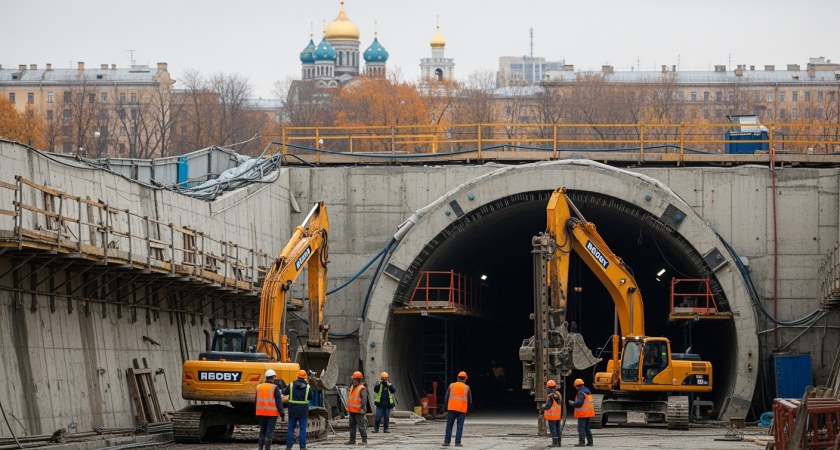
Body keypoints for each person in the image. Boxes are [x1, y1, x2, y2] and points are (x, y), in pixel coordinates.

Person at [256, 369, 285, 450]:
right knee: (269, 432)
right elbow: (278, 402)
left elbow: (256, 401)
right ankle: (267, 448)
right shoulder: (274, 387)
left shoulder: (259, 387)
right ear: (273, 378)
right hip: (271, 414)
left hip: (261, 412)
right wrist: (282, 414)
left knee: (262, 430)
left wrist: (256, 412)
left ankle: (260, 448)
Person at [283, 370, 312, 450]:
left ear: (297, 376)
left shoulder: (292, 385)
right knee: (303, 428)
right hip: (303, 411)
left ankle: (289, 447)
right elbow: (310, 397)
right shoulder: (307, 387)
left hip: (292, 410)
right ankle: (302, 447)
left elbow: (285, 392)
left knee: (291, 428)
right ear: (305, 377)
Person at [442, 371, 473, 447]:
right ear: (465, 379)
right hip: (462, 410)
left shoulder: (451, 386)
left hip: (451, 408)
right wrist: (468, 410)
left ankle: (446, 442)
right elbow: (470, 401)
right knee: (460, 426)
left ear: (457, 378)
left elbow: (446, 398)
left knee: (449, 425)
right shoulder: (467, 388)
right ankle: (457, 443)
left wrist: (446, 407)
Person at [568, 378, 594, 447]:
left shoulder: (581, 393)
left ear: (576, 386)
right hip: (588, 413)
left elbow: (579, 403)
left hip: (583, 414)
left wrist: (573, 403)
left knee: (581, 428)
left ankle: (581, 442)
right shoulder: (587, 391)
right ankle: (590, 442)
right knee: (586, 428)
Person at [346, 371, 369, 445]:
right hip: (352, 410)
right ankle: (352, 440)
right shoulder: (352, 387)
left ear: (358, 380)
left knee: (361, 425)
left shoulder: (361, 388)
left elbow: (364, 398)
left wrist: (363, 407)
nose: (353, 380)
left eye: (354, 379)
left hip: (359, 411)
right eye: (353, 379)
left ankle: (364, 440)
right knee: (352, 425)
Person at [540, 379, 563, 447]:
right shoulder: (558, 394)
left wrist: (543, 407)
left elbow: (548, 405)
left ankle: (555, 443)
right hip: (558, 416)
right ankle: (559, 443)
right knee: (558, 429)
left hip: (552, 416)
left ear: (548, 388)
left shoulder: (550, 396)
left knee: (553, 429)